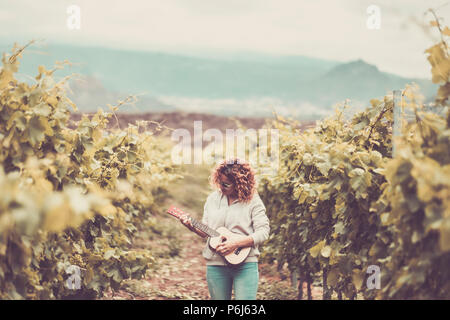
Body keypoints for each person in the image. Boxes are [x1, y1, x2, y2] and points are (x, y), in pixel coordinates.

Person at [180, 158, 270, 300]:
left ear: (240, 183)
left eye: (226, 184)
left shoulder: (253, 201)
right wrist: (191, 226)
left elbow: (263, 232)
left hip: (245, 264)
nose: (221, 186)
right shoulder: (212, 199)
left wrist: (236, 243)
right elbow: (206, 231)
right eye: (220, 182)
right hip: (216, 264)